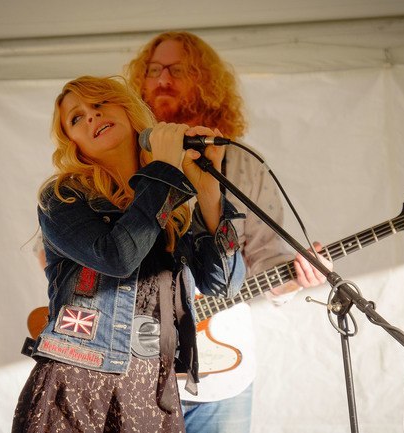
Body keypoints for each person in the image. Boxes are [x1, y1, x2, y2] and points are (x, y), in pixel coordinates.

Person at [12, 75, 246, 433]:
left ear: (129, 111)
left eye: (100, 103)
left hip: (151, 389)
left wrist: (209, 193)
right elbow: (118, 257)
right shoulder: (62, 198)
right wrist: (165, 170)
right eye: (77, 118)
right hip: (77, 383)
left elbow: (225, 284)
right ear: (73, 143)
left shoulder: (171, 206)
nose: (91, 116)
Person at [126, 32, 332, 433]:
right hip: (133, 372)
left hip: (222, 378)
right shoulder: (120, 158)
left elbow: (265, 260)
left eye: (177, 70)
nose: (162, 79)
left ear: (204, 83)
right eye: (153, 70)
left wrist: (300, 275)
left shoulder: (242, 166)